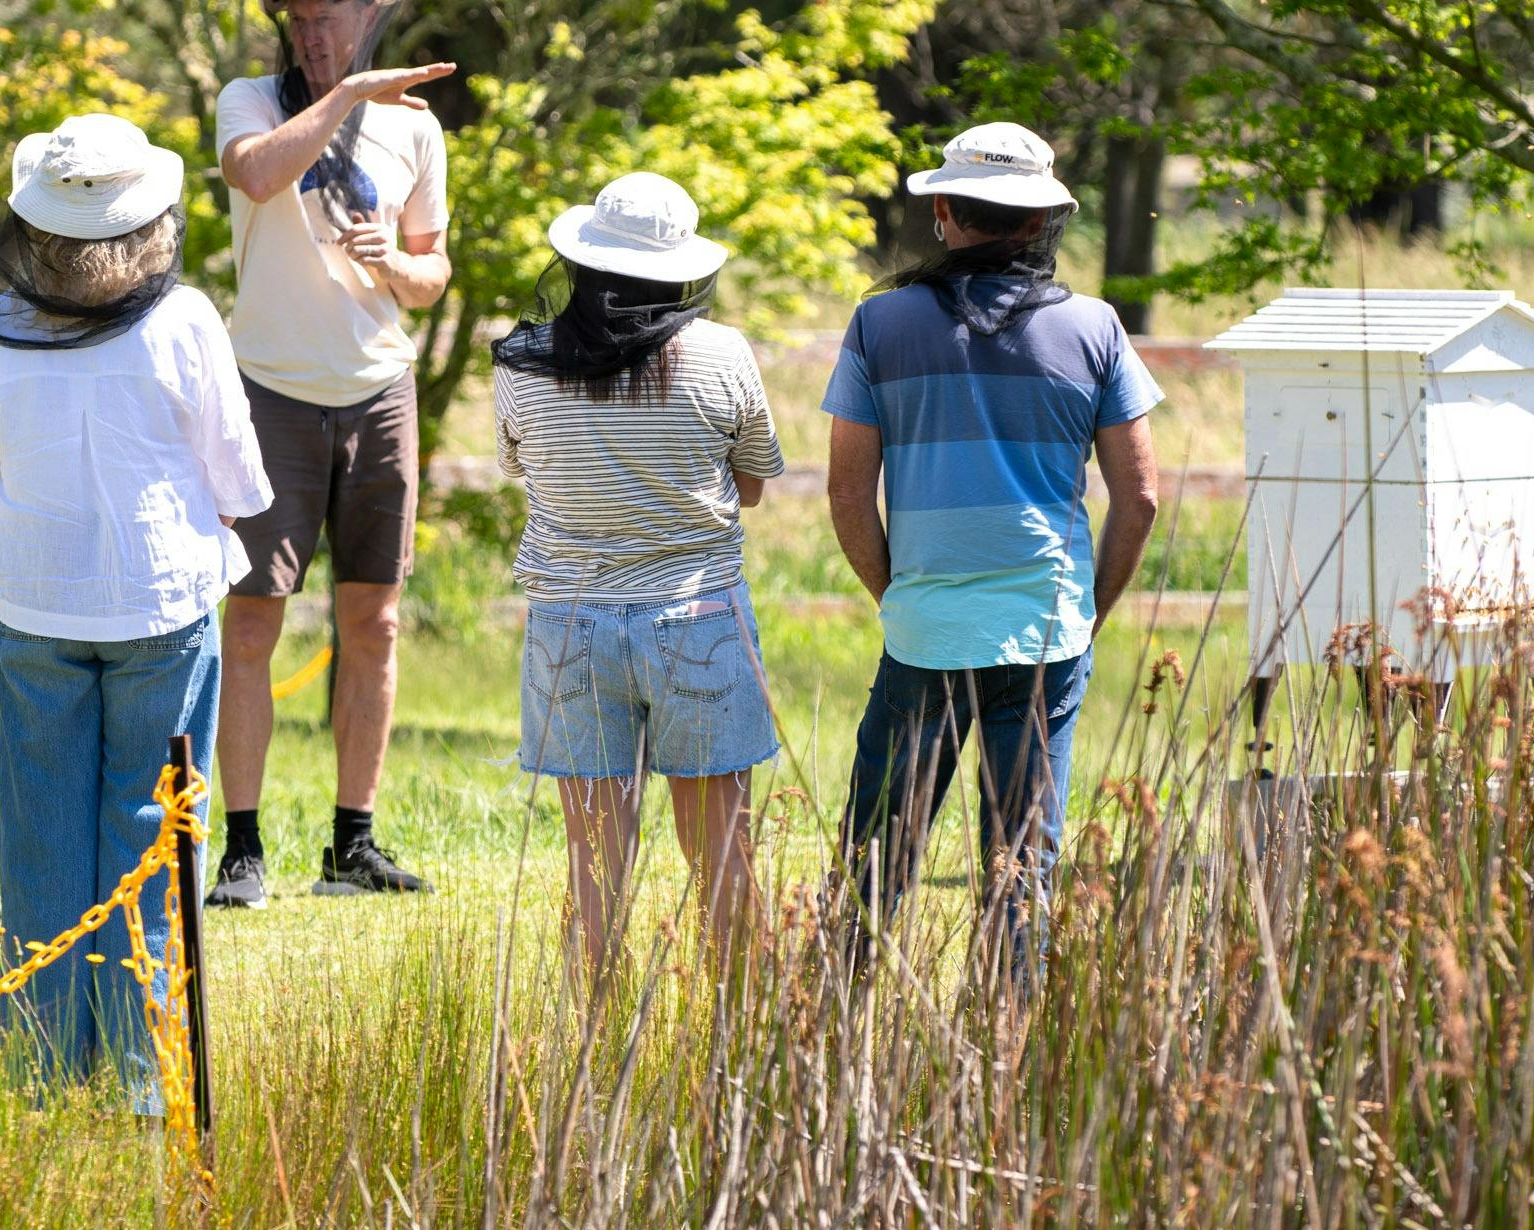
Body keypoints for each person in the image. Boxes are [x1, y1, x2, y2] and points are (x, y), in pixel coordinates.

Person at [0, 114, 272, 1102]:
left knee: (40, 839)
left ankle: (44, 1074)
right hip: (161, 603)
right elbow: (239, 478)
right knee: (153, 843)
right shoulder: (186, 321)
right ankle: (140, 1082)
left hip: (39, 603)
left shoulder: (0, 328)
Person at [821, 122, 1163, 990]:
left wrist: (900, 595)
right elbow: (1141, 498)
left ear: (943, 210)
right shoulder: (1094, 326)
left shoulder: (878, 322)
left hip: (924, 631)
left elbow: (848, 494)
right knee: (1021, 866)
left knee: (874, 858)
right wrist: (1085, 610)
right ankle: (1011, 1042)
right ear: (1042, 220)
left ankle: (826, 1032)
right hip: (1047, 628)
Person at [209, 0, 458, 908]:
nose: (311, 35)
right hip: (268, 391)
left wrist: (393, 263)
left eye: (329, 17)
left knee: (374, 622)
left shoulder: (417, 131)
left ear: (368, 14)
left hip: (378, 392)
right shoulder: (253, 101)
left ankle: (353, 844)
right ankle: (241, 850)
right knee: (251, 623)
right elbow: (257, 176)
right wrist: (349, 94)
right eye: (298, 19)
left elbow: (433, 277)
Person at [494, 174, 787, 994]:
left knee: (592, 863)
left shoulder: (522, 362)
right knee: (722, 854)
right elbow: (753, 484)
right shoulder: (723, 353)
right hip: (698, 614)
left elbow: (521, 468)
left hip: (569, 621)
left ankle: (595, 1035)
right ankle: (743, 1031)